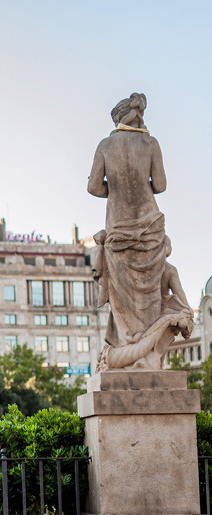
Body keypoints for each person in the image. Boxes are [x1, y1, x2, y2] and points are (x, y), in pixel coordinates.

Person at [87, 93, 192, 369]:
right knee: (150, 291)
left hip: (119, 228)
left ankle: (128, 351)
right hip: (150, 226)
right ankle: (149, 359)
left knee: (124, 296)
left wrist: (117, 188)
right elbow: (160, 184)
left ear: (118, 118)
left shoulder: (106, 145)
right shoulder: (150, 143)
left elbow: (94, 187)